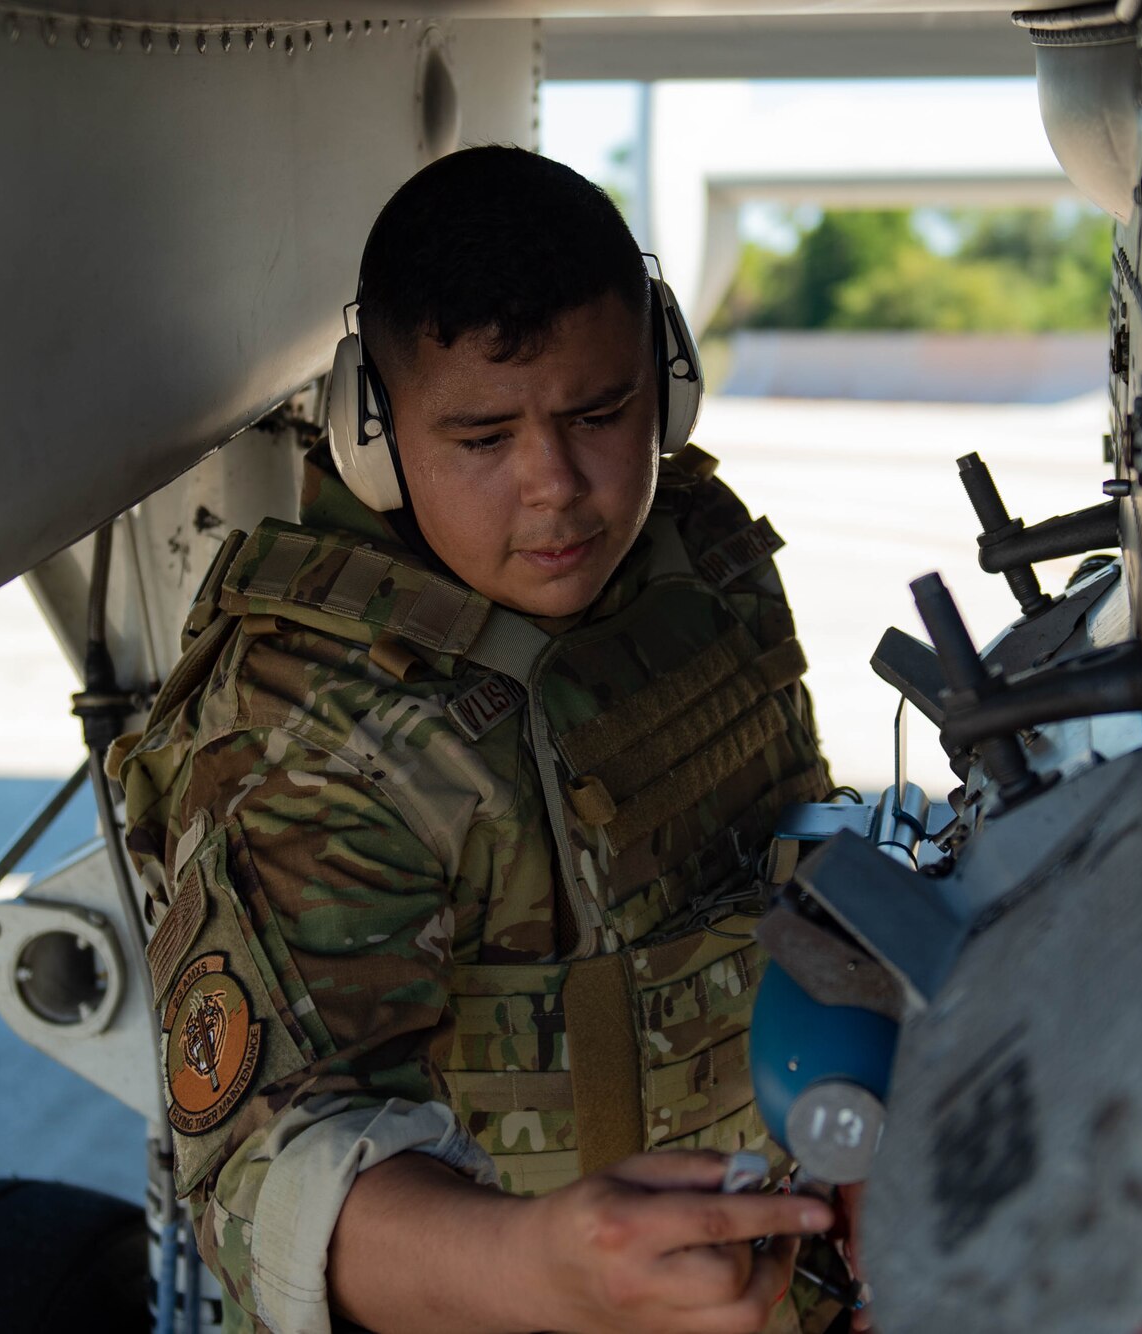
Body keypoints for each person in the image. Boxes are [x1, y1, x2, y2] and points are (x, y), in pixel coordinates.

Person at [115, 146, 855, 1334]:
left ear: (668, 380)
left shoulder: (691, 552)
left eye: (600, 413)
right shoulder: (316, 723)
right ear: (371, 430)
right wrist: (539, 1264)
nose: (554, 484)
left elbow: (790, 876)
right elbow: (267, 1176)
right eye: (478, 437)